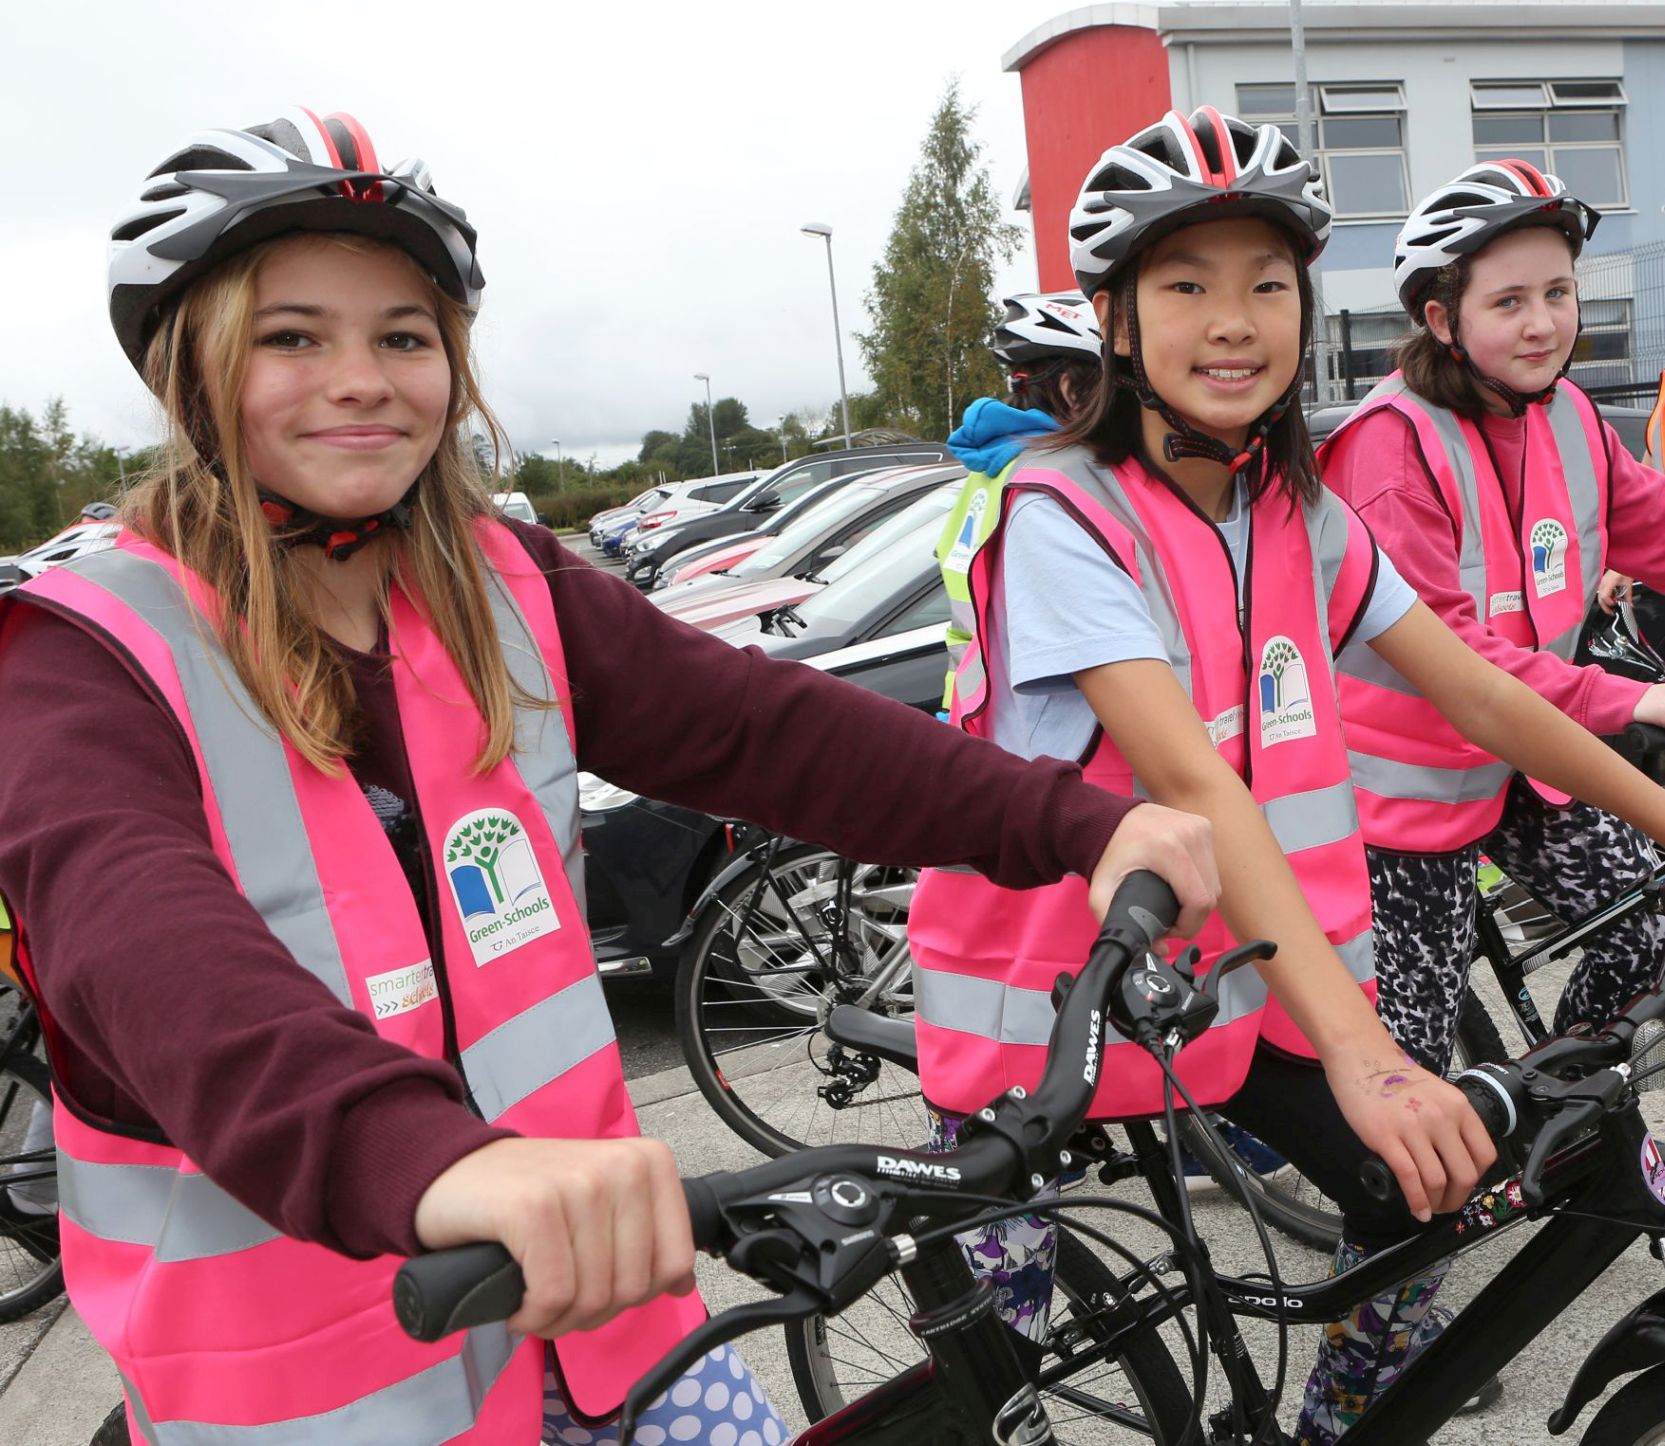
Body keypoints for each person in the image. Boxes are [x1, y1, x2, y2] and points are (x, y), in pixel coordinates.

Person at [0, 109, 1219, 1444]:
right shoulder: (89, 655)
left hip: (610, 1341)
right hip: (327, 1402)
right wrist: (436, 1162)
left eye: (403, 336)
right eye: (292, 337)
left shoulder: (503, 590)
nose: (360, 378)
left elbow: (770, 733)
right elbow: (155, 958)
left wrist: (1077, 820)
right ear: (194, 369)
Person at [905, 106, 1665, 1445]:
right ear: (1117, 321)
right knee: (997, 1384)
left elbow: (1475, 687)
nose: (1235, 318)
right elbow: (1193, 784)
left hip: (1239, 988)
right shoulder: (1060, 516)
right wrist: (1373, 1063)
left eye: (1266, 282)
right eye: (1185, 284)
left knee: (1433, 1196)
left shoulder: (1292, 512)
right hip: (1051, 1017)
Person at [1321, 161, 1665, 1080]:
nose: (1544, 322)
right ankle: (1395, 1213)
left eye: (1556, 291)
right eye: (1508, 300)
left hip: (1524, 758)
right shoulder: (1390, 450)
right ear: (1442, 318)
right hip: (1396, 800)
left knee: (1648, 936)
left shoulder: (1570, 417)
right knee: (1406, 1073)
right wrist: (1629, 701)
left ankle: (1552, 1111)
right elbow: (1452, 653)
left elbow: (1656, 530)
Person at [937, 291, 1102, 710]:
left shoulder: (989, 471)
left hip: (981, 718)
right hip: (1057, 734)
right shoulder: (1065, 479)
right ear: (1069, 390)